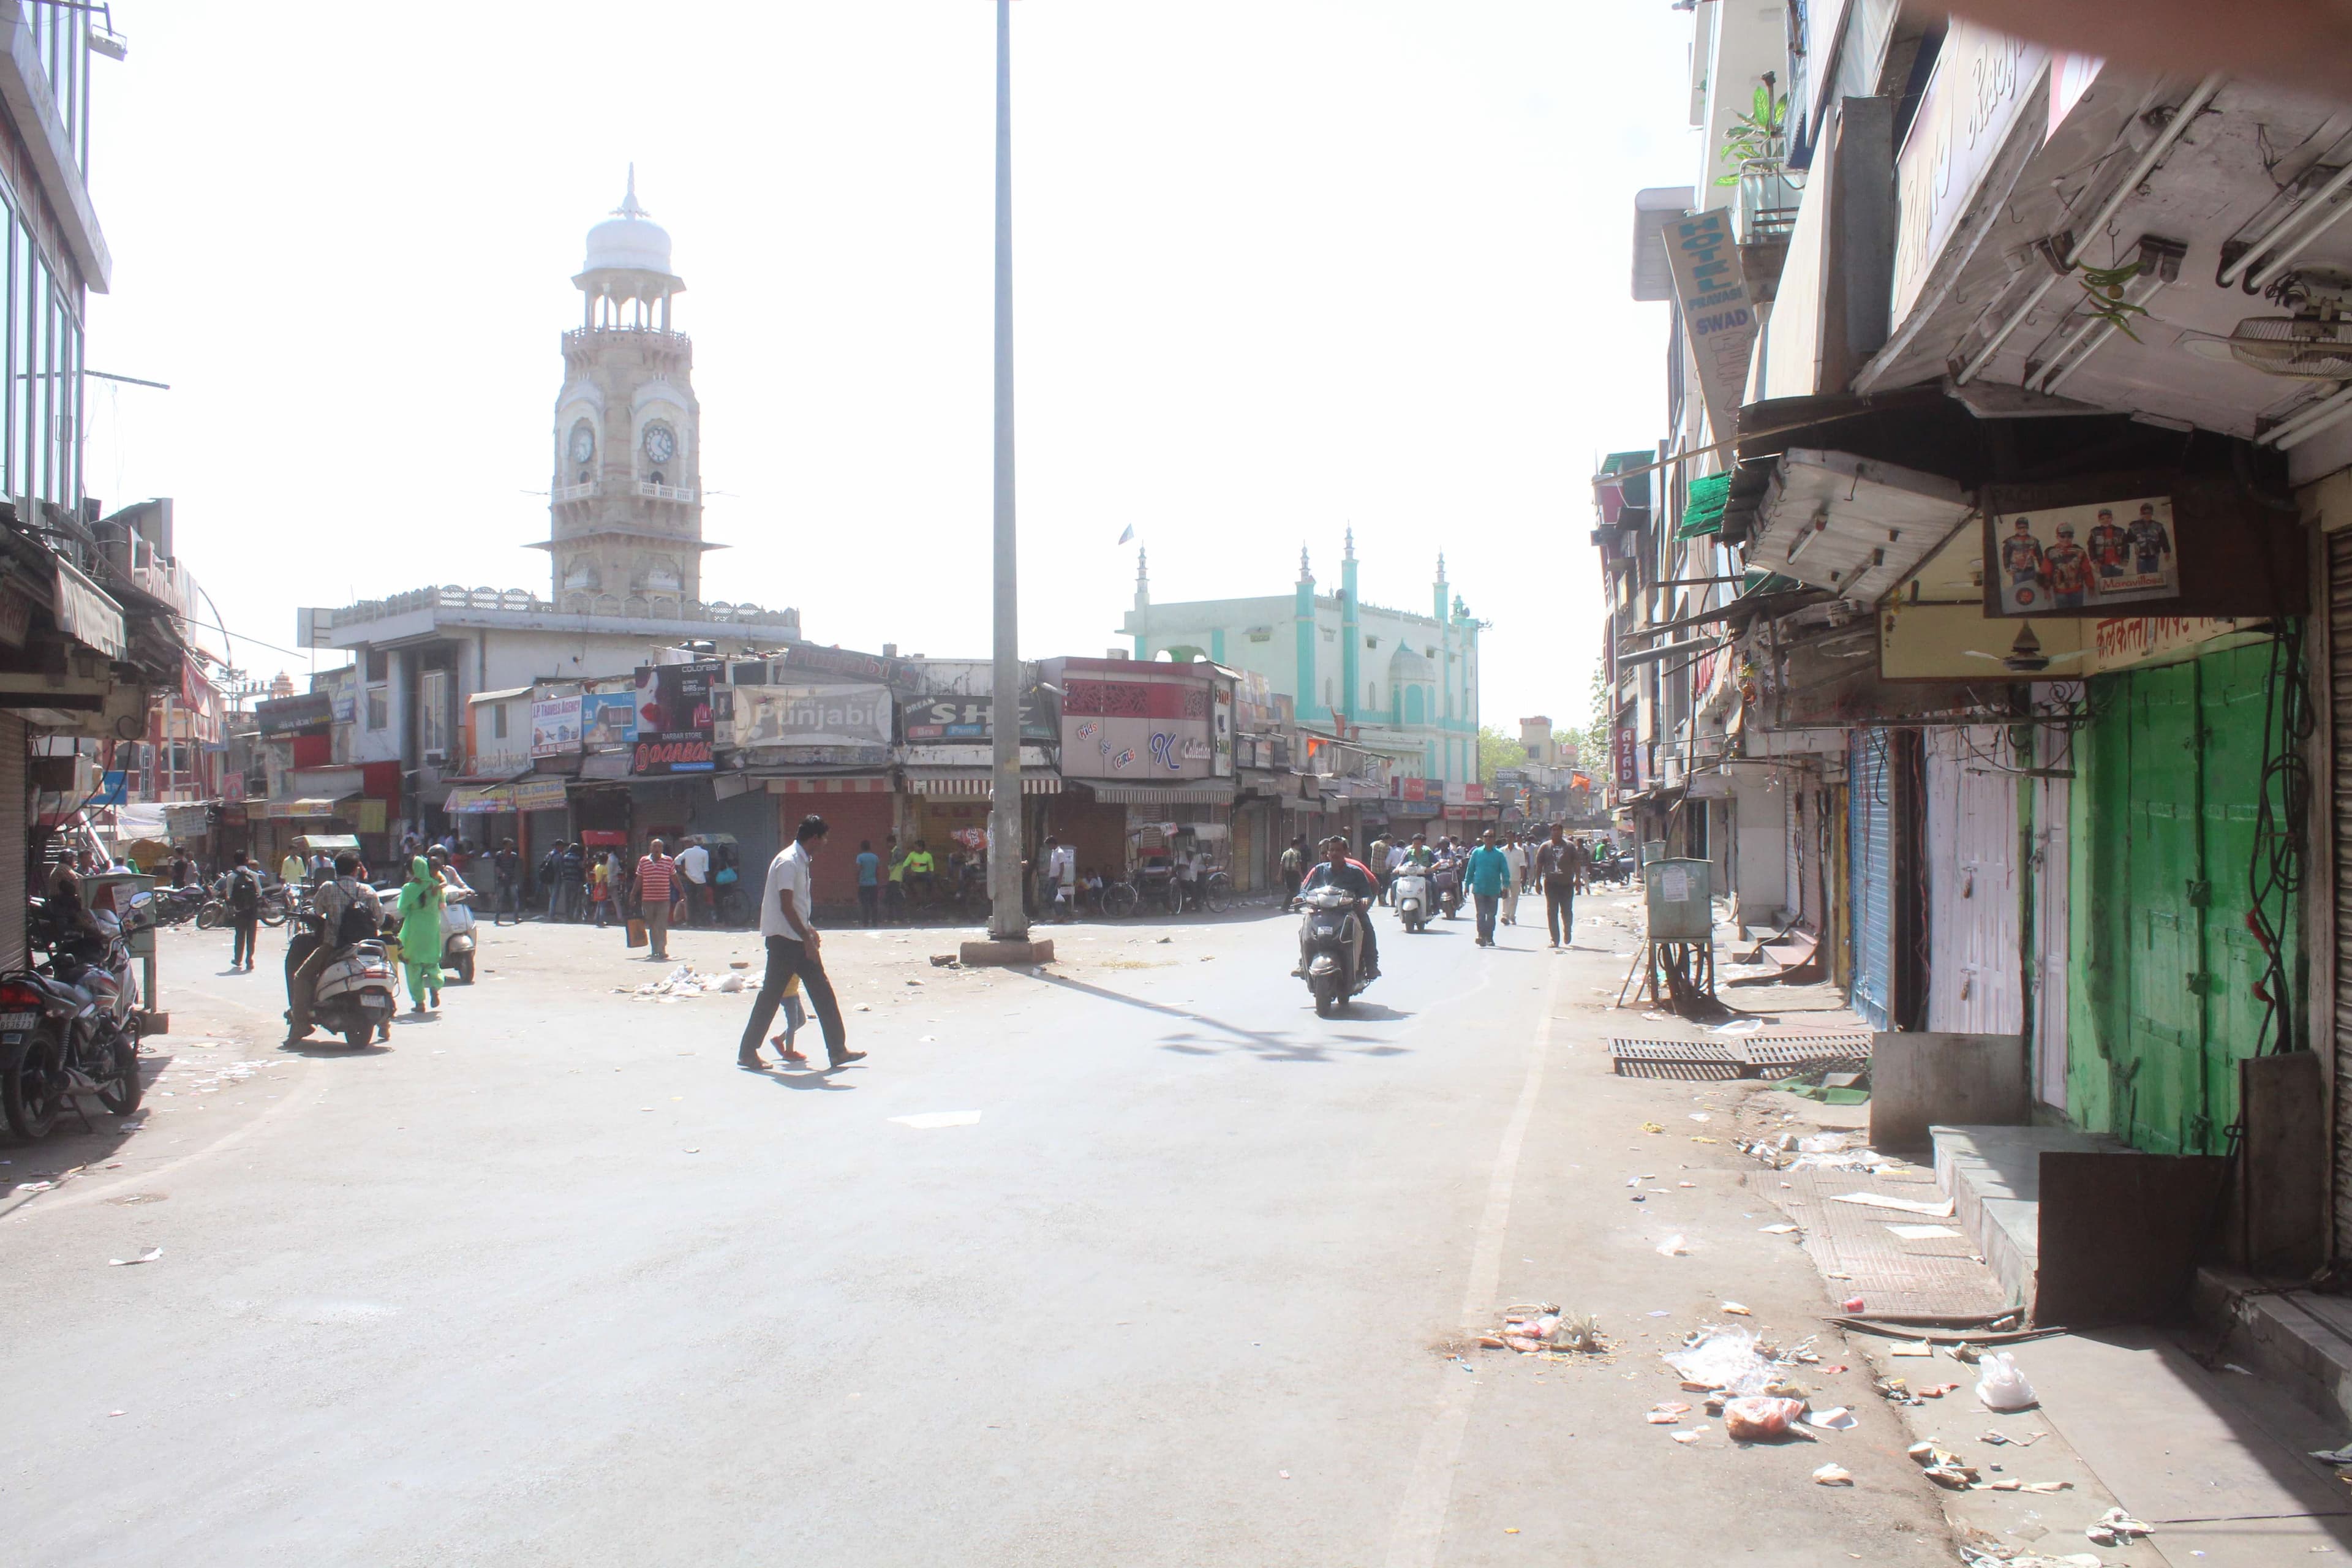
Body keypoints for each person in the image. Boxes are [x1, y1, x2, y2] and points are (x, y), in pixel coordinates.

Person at [738, 813, 863, 1071]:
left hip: (797, 937)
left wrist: (809, 929)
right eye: (824, 838)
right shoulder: (789, 861)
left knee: (822, 992)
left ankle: (838, 1051)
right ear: (814, 837)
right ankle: (748, 1052)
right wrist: (805, 937)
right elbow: (785, 905)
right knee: (771, 996)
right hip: (785, 941)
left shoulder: (802, 861)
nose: (826, 843)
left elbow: (796, 905)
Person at [286, 852, 383, 1044]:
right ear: (357, 870)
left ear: (335, 869)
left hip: (334, 945)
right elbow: (379, 920)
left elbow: (318, 911)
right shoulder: (368, 891)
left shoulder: (329, 888)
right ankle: (385, 1026)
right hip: (367, 949)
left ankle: (301, 1025)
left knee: (302, 977)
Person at [1298, 835, 1380, 979]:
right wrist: (1301, 897)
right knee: (1305, 929)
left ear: (1346, 852)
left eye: (1338, 850)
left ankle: (1372, 965)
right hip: (1322, 913)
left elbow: (1366, 892)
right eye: (1332, 850)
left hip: (1348, 912)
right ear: (1327, 853)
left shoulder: (1356, 872)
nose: (1334, 853)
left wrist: (1365, 900)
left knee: (1366, 927)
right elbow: (1306, 889)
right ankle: (1302, 963)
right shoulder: (1319, 870)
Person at [394, 856, 445, 1013]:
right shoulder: (436, 885)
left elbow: (402, 909)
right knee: (432, 962)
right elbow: (442, 904)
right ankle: (435, 987)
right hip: (431, 929)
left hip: (413, 929)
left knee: (413, 967)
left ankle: (419, 1003)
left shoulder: (409, 888)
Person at [636, 838, 679, 961]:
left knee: (661, 925)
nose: (657, 849)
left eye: (659, 847)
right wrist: (633, 894)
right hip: (648, 899)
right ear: (650, 848)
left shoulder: (669, 861)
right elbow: (639, 879)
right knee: (652, 925)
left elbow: (674, 877)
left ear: (662, 848)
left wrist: (682, 892)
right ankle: (654, 950)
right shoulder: (644, 861)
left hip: (664, 899)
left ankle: (662, 950)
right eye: (654, 846)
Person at [1466, 829, 1511, 947]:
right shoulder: (1477, 852)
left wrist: (1505, 887)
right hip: (1479, 888)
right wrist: (1466, 885)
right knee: (1480, 914)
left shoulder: (1499, 854)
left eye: (1491, 837)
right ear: (1483, 838)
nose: (1488, 839)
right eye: (1486, 836)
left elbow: (1505, 871)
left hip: (1493, 889)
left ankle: (1489, 936)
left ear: (1494, 839)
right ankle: (1481, 936)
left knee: (1491, 915)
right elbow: (1470, 869)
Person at [1536, 824, 1578, 950]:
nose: (1556, 832)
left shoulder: (1569, 846)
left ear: (1562, 832)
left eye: (1558, 830)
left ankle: (1567, 930)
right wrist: (1537, 882)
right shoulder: (1545, 847)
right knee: (1552, 911)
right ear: (1551, 832)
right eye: (1554, 830)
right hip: (1551, 884)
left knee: (1567, 911)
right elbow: (1539, 865)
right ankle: (1555, 939)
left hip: (1566, 884)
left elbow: (1576, 863)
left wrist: (1578, 879)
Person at [224, 849, 263, 971]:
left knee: (240, 934)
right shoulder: (254, 875)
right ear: (247, 861)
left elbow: (229, 894)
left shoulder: (231, 876)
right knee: (252, 936)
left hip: (239, 910)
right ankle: (250, 959)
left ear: (234, 861)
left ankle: (238, 959)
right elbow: (260, 893)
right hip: (252, 909)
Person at [676, 835, 710, 926]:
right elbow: (706, 869)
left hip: (689, 878)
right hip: (701, 880)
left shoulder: (687, 852)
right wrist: (707, 880)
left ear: (693, 843)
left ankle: (692, 921)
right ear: (702, 843)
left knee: (691, 900)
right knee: (701, 901)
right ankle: (703, 921)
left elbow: (677, 860)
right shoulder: (705, 853)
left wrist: (683, 871)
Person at [1501, 832, 1531, 927]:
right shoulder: (1502, 851)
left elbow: (1522, 866)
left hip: (1516, 878)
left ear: (1514, 839)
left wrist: (1522, 878)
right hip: (1505, 879)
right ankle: (1505, 916)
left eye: (1511, 837)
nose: (1509, 839)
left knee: (1514, 898)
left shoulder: (1520, 851)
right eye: (1508, 837)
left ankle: (1512, 916)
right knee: (1505, 897)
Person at [1044, 835, 1077, 921]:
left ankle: (1060, 914)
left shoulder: (1060, 852)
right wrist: (1046, 871)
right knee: (1053, 896)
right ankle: (1061, 915)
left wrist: (1060, 880)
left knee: (1050, 896)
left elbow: (1062, 867)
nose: (1048, 847)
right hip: (1052, 877)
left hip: (1056, 878)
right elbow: (1054, 865)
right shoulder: (1054, 852)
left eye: (1049, 845)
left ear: (1053, 844)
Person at [492, 839, 521, 925]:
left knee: (515, 899)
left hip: (512, 879)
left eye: (512, 845)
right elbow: (497, 867)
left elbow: (516, 867)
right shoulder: (499, 855)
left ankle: (516, 918)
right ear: (505, 846)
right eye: (509, 845)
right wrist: (502, 874)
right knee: (500, 900)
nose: (511, 847)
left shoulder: (514, 856)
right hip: (502, 880)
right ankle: (497, 919)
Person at [854, 839, 882, 927]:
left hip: (863, 884)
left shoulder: (860, 857)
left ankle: (865, 922)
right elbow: (877, 871)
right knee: (874, 903)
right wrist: (877, 881)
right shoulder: (875, 857)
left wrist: (857, 880)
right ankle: (875, 922)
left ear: (862, 847)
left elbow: (858, 870)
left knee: (864, 903)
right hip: (873, 883)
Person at [883, 834, 908, 924]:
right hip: (894, 878)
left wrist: (889, 866)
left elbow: (891, 866)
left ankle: (899, 918)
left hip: (896, 878)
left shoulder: (896, 852)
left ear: (892, 843)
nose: (887, 845)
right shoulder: (896, 852)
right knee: (890, 898)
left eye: (888, 843)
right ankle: (892, 918)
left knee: (896, 899)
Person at [1280, 835, 1306, 910]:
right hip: (1295, 874)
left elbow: (1281, 863)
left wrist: (1280, 874)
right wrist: (1301, 875)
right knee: (1295, 890)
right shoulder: (1297, 853)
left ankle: (1296, 906)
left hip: (1287, 873)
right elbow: (1298, 864)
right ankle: (1286, 906)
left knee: (1291, 890)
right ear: (1297, 845)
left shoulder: (1286, 853)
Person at [589, 850, 613, 927]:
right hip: (603, 886)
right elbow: (603, 879)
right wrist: (603, 889)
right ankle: (601, 921)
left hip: (597, 885)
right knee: (603, 905)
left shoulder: (597, 867)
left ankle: (597, 920)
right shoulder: (604, 868)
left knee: (599, 904)